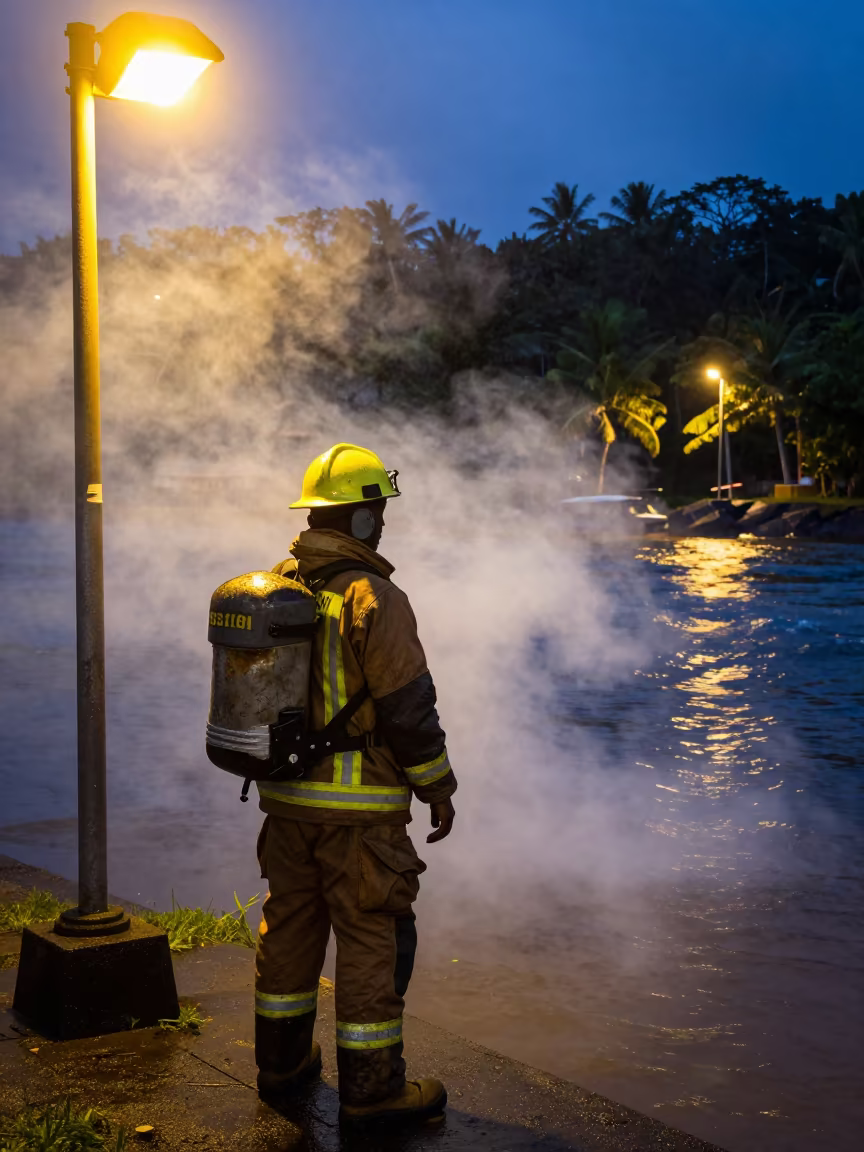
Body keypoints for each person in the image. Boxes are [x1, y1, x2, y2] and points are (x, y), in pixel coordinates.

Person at [254, 442, 457, 1125]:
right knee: (373, 936)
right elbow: (408, 710)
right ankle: (373, 1091)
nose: (384, 521)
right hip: (358, 813)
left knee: (290, 927)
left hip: (285, 805)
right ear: (358, 517)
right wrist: (438, 785)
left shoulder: (281, 586)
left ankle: (281, 1063)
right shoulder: (375, 597)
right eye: (377, 508)